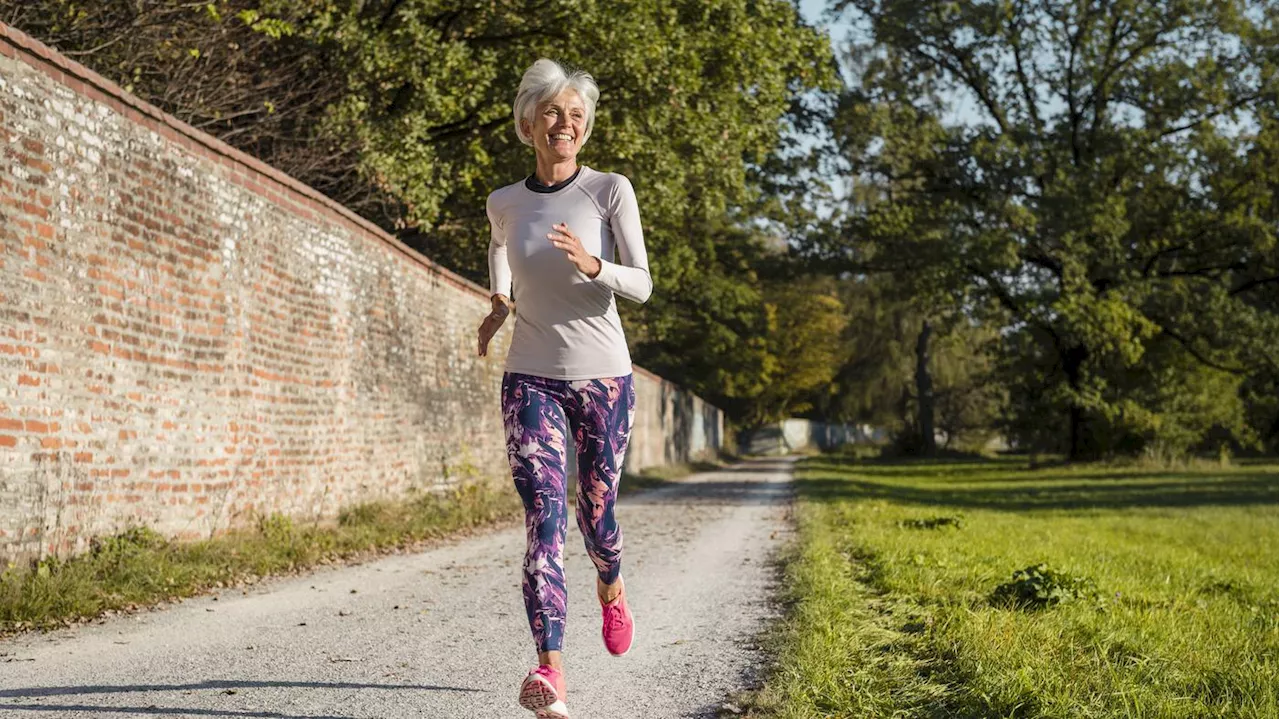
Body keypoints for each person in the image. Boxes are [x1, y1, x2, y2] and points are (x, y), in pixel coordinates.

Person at [476, 57, 653, 719]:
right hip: (530, 378)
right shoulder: (505, 200)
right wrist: (498, 299)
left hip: (604, 374)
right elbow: (500, 244)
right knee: (543, 518)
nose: (566, 124)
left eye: (576, 115)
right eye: (554, 112)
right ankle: (550, 672)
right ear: (530, 123)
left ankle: (612, 585)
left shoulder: (610, 190)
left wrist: (595, 263)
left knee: (596, 514)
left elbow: (643, 282)